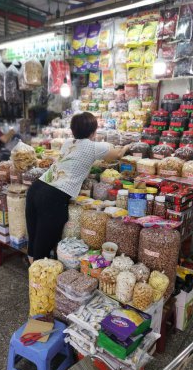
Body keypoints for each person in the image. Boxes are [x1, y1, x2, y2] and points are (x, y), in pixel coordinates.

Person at [26, 112, 130, 263]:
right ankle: (39, 281)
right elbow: (118, 153)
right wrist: (128, 146)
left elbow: (78, 160)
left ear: (73, 130)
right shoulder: (93, 147)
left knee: (34, 240)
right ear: (94, 131)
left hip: (37, 188)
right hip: (52, 196)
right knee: (44, 245)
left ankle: (33, 274)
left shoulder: (68, 142)